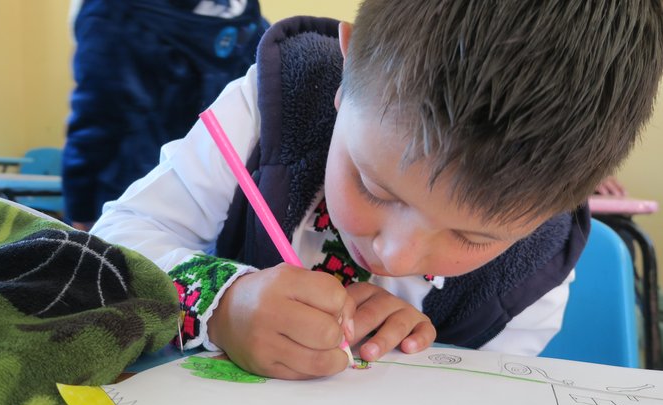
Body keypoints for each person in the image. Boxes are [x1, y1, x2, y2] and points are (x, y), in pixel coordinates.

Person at [91, 1, 663, 380]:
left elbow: (479, 397)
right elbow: (113, 243)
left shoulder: (532, 273)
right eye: (373, 185)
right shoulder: (268, 111)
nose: (395, 254)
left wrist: (425, 360)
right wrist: (224, 303)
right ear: (349, 67)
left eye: (470, 236)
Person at [62, 0, 268, 230]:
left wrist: (81, 212)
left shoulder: (111, 13)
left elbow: (96, 118)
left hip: (130, 200)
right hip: (217, 201)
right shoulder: (247, 21)